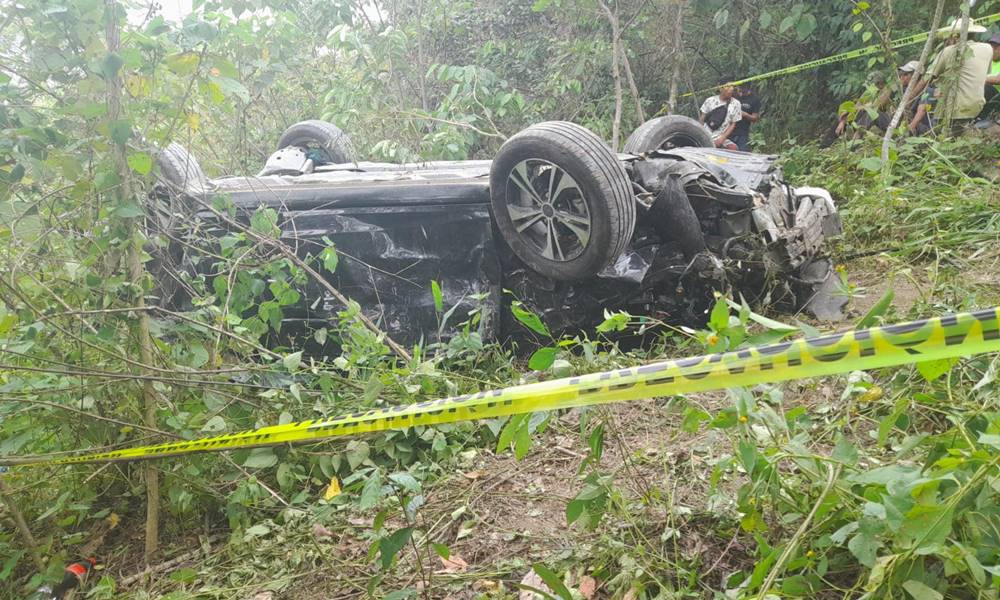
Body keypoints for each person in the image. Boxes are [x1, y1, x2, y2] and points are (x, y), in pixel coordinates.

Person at [925, 22, 993, 127]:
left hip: (953, 109)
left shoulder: (948, 51)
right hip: (976, 106)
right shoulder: (988, 49)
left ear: (955, 36)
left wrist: (909, 98)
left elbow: (926, 79)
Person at [699, 80, 742, 150]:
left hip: (720, 137)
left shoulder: (736, 104)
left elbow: (733, 124)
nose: (731, 89)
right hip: (706, 135)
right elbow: (702, 118)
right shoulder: (710, 100)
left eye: (732, 87)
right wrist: (700, 135)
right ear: (720, 88)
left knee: (733, 148)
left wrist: (722, 138)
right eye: (728, 87)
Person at [730, 84, 761, 152]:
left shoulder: (754, 99)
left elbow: (755, 118)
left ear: (748, 88)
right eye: (739, 90)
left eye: (743, 91)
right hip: (729, 130)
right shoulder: (734, 96)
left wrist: (745, 114)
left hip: (743, 132)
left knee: (743, 153)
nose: (740, 93)